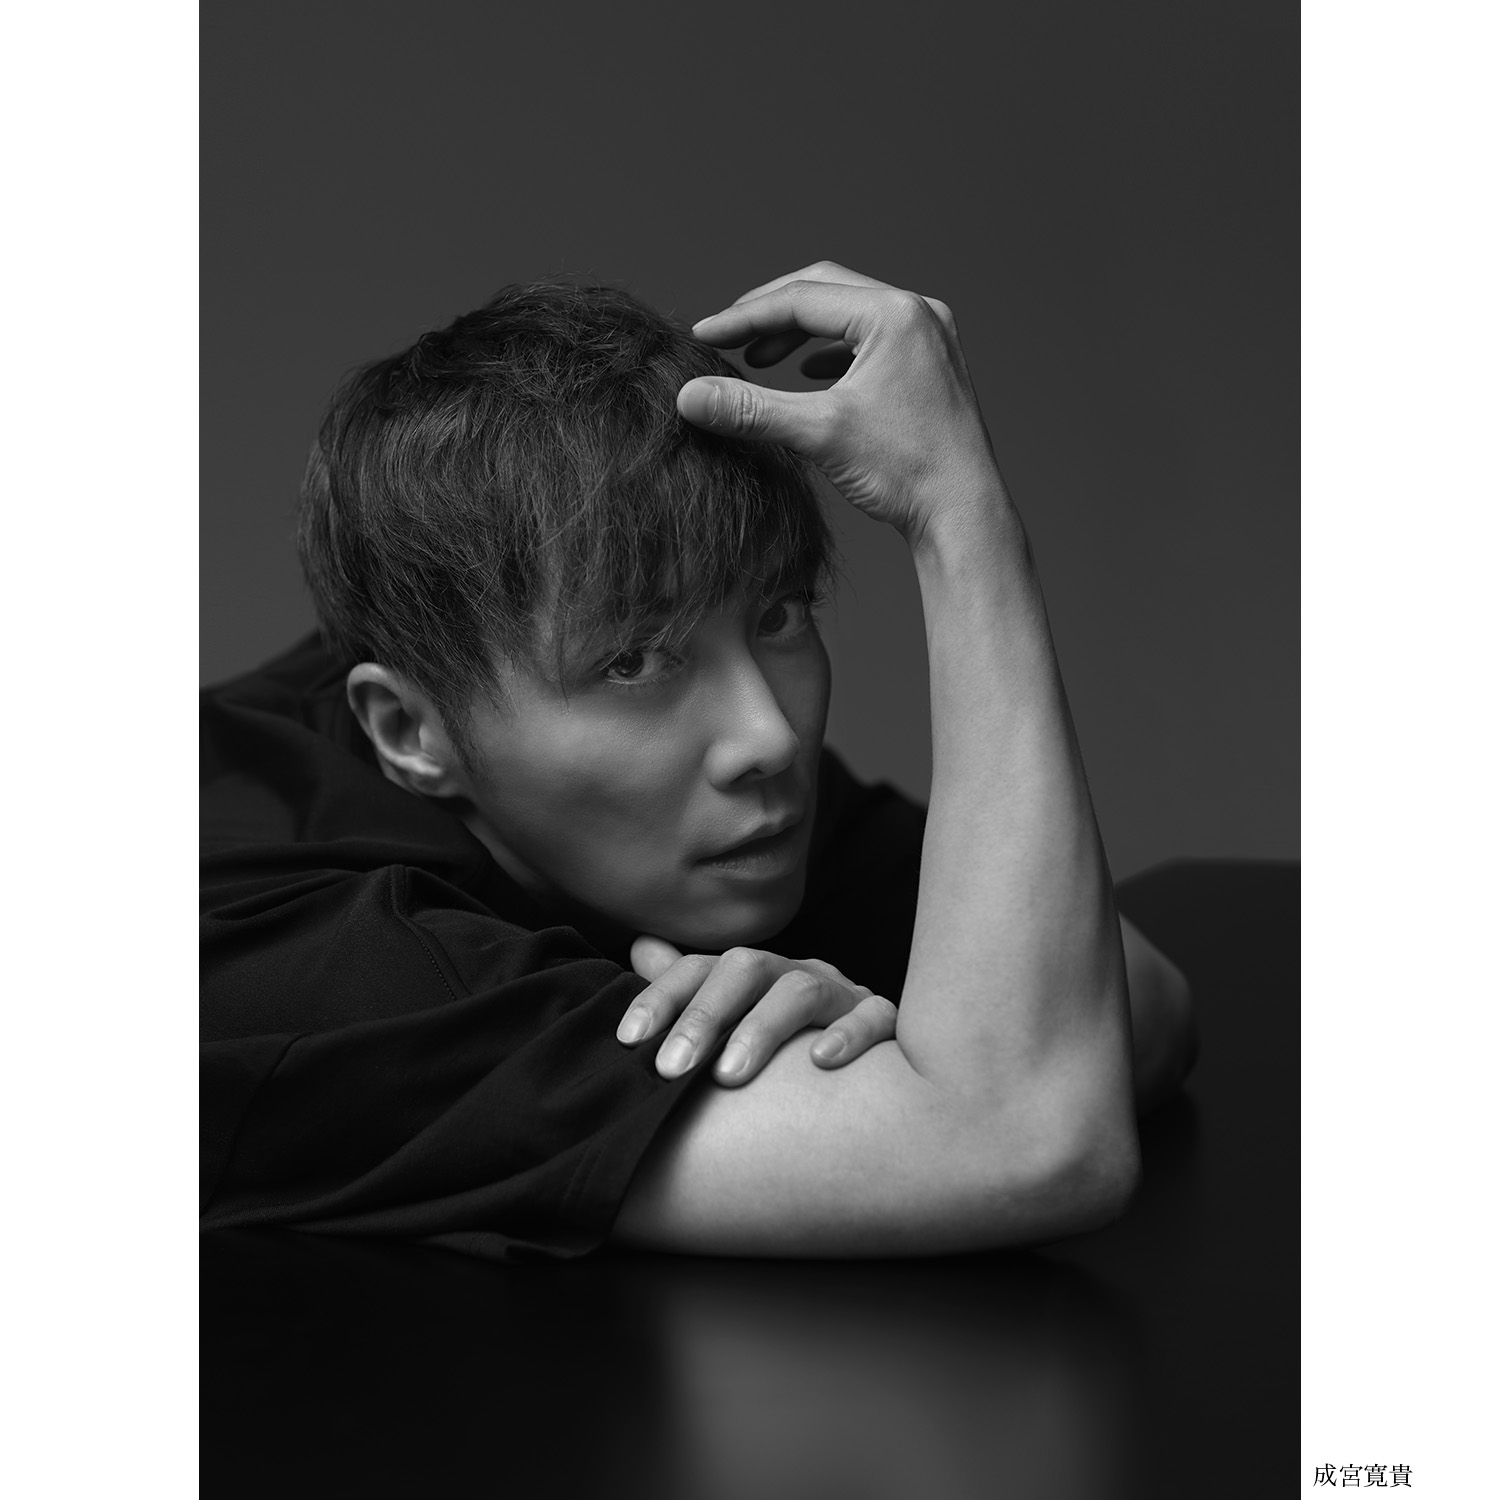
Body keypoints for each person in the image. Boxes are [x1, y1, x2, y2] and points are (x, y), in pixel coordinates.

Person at [201, 262, 1195, 1260]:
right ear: (409, 733)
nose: (768, 737)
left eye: (779, 614)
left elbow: (1137, 1000)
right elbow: (1031, 1141)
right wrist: (958, 514)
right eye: (633, 661)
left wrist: (885, 1032)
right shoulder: (277, 945)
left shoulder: (693, 788)